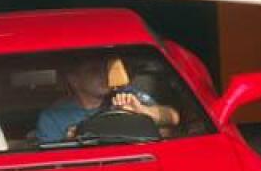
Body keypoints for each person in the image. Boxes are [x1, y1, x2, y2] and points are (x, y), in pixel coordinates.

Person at [35, 55, 179, 142]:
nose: (104, 75)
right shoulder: (53, 116)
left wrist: (142, 110)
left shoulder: (126, 95)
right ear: (74, 80)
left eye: (106, 70)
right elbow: (52, 163)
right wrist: (69, 141)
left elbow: (173, 117)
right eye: (94, 71)